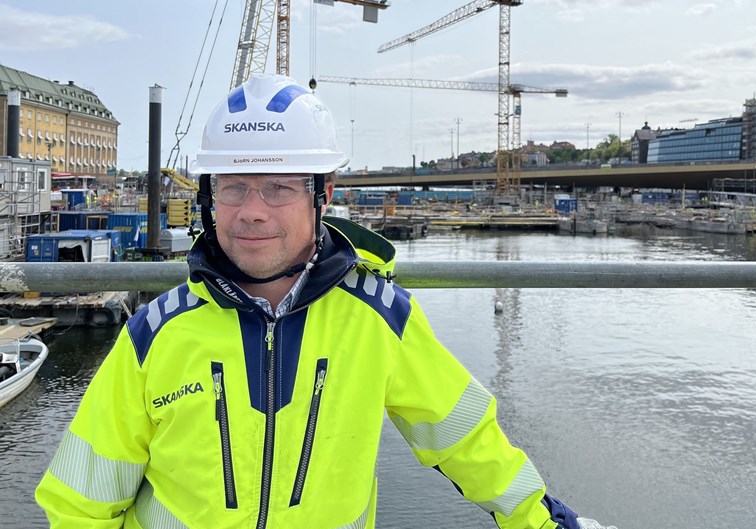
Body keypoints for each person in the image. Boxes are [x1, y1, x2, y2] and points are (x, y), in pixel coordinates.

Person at [34, 74, 616, 529]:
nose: (252, 210)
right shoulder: (155, 334)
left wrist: (540, 518)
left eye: (280, 187)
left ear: (323, 194)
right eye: (233, 187)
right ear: (209, 198)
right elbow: (81, 498)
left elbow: (464, 435)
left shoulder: (377, 319)